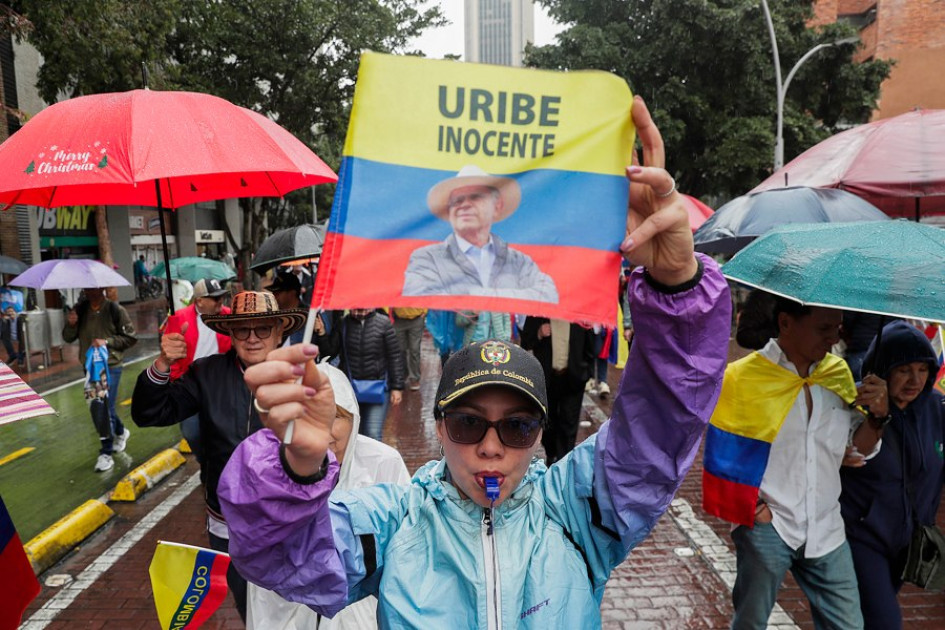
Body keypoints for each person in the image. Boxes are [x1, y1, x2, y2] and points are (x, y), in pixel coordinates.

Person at [217, 96, 733, 627]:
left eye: (517, 425)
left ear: (540, 432)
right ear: (438, 427)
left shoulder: (579, 513)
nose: (491, 447)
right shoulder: (394, 523)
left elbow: (660, 432)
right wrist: (295, 467)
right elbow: (279, 558)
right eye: (467, 423)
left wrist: (679, 284)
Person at [703, 297, 891, 630]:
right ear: (786, 323)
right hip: (769, 525)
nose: (833, 338)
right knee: (750, 622)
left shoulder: (837, 373)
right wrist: (754, 509)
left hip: (827, 527)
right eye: (823, 328)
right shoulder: (742, 378)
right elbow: (721, 455)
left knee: (849, 624)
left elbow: (855, 449)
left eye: (838, 328)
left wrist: (877, 418)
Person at [131, 291, 306, 622]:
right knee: (246, 603)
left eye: (262, 329)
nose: (252, 338)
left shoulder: (303, 376)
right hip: (227, 522)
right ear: (230, 334)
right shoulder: (206, 373)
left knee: (289, 606)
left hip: (287, 521)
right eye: (243, 330)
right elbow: (149, 413)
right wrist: (163, 364)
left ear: (279, 332)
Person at [245, 363, 410, 630]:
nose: (322, 431)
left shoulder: (382, 462)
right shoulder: (272, 472)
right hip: (289, 610)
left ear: (353, 419)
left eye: (335, 417)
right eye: (309, 418)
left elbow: (405, 545)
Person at [840, 320, 945, 629]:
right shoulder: (857, 403)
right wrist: (878, 416)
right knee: (885, 622)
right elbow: (854, 455)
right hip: (862, 536)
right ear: (883, 369)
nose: (914, 380)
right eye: (903, 369)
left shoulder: (937, 409)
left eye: (923, 369)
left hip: (907, 542)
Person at [402, 165, 559, 303]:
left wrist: (479, 296)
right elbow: (419, 299)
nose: (464, 205)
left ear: (497, 206)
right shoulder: (427, 258)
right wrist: (506, 298)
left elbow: (548, 295)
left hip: (504, 337)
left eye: (475, 197)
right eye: (457, 200)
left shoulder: (519, 261)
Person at [63, 287, 137, 472]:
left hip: (111, 366)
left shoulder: (114, 310)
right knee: (100, 406)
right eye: (86, 288)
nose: (88, 291)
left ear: (101, 288)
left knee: (104, 408)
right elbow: (68, 337)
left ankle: (106, 452)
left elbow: (130, 337)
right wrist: (71, 325)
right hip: (90, 367)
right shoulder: (80, 310)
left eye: (92, 288)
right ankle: (120, 431)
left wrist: (107, 342)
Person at [164, 277, 232, 464]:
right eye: (215, 299)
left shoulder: (229, 316)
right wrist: (178, 381)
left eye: (222, 298)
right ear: (200, 301)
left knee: (225, 433)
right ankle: (206, 463)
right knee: (191, 432)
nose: (221, 302)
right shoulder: (179, 319)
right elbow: (171, 354)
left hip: (222, 386)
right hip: (190, 386)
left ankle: (218, 469)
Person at [521, 317, 596, 464]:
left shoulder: (579, 314)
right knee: (549, 422)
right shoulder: (540, 312)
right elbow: (525, 341)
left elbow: (591, 347)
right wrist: (539, 333)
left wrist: (586, 372)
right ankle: (551, 453)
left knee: (569, 423)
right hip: (548, 378)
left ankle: (564, 463)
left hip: (573, 378)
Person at [338, 308, 405, 440]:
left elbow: (395, 356)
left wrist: (396, 387)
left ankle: (373, 461)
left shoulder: (383, 323)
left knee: (373, 434)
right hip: (350, 390)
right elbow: (331, 349)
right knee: (354, 435)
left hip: (378, 387)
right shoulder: (343, 323)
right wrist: (321, 332)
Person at [390, 307, 427, 390]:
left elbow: (426, 295)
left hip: (416, 319)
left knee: (414, 349)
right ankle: (403, 374)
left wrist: (424, 311)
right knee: (400, 350)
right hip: (398, 320)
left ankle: (414, 378)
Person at [268, 271, 307, 345]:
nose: (274, 296)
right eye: (273, 293)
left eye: (278, 293)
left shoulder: (310, 316)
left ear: (292, 293)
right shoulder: (272, 317)